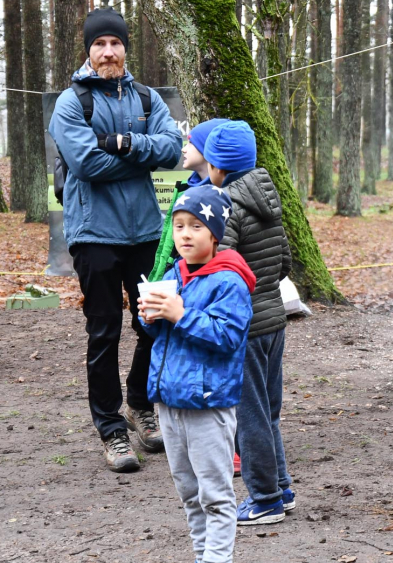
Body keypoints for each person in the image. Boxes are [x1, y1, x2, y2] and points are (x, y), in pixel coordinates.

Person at [48, 7, 182, 471]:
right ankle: (111, 430)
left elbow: (172, 150)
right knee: (103, 331)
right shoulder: (72, 103)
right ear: (89, 49)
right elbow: (86, 165)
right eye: (100, 44)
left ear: (126, 47)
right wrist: (141, 153)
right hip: (94, 234)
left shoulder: (146, 98)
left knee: (154, 324)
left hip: (146, 231)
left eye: (115, 43)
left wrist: (124, 144)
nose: (108, 51)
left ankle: (139, 405)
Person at [138, 185, 254, 563]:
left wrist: (180, 314)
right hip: (169, 402)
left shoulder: (230, 281)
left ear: (215, 234)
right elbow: (162, 335)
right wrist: (151, 317)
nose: (184, 234)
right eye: (179, 225)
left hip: (208, 405)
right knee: (189, 494)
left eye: (195, 226)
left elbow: (228, 336)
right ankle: (202, 556)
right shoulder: (174, 273)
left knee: (215, 497)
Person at [203, 121, 295, 525]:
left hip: (245, 328)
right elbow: (285, 263)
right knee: (267, 412)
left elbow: (220, 271)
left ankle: (264, 499)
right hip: (274, 321)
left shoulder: (226, 207)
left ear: (219, 167)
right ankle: (282, 488)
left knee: (249, 417)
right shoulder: (268, 198)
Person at [148, 118, 228, 283]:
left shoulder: (223, 199)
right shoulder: (186, 190)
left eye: (191, 143)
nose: (184, 149)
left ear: (207, 149)